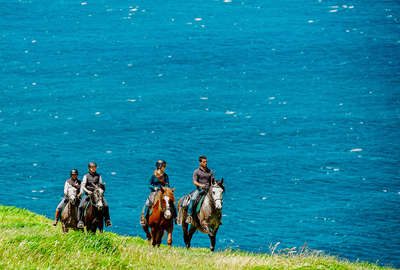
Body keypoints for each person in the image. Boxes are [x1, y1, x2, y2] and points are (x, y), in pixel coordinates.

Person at [140, 160, 176, 225]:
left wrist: (166, 189)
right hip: (155, 192)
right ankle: (144, 218)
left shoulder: (165, 176)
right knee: (148, 203)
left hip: (163, 192)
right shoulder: (153, 176)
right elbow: (149, 184)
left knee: (171, 202)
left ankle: (176, 217)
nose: (165, 168)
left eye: (165, 166)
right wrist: (154, 188)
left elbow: (168, 185)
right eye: (164, 166)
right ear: (159, 166)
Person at [77, 162, 112, 228]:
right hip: (88, 194)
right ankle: (80, 221)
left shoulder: (99, 176)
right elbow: (83, 186)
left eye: (94, 167)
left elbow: (100, 185)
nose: (93, 169)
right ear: (89, 168)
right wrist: (88, 191)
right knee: (81, 206)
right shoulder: (86, 176)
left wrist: (99, 190)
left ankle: (107, 220)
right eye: (92, 167)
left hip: (97, 194)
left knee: (106, 205)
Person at [185, 155, 215, 224]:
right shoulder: (196, 171)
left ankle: (217, 216)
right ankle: (189, 215)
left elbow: (212, 181)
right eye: (204, 162)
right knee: (193, 198)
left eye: (206, 162)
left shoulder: (210, 171)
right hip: (200, 190)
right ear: (200, 163)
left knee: (217, 200)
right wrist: (201, 185)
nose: (206, 163)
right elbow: (195, 182)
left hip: (209, 190)